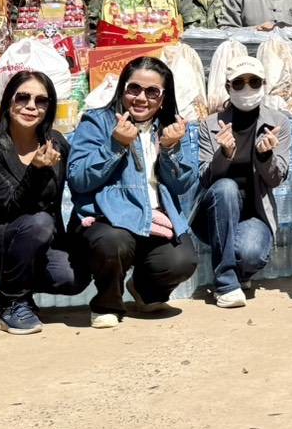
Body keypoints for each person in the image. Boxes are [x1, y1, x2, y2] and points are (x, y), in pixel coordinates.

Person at [68, 57, 197, 328]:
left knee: (182, 260)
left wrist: (170, 149)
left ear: (163, 98)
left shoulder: (171, 128)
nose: (141, 98)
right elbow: (78, 178)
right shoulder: (97, 121)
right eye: (134, 88)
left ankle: (145, 291)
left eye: (152, 92)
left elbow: (183, 184)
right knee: (113, 243)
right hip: (107, 219)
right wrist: (115, 144)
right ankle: (107, 303)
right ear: (122, 89)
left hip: (155, 219)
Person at [0, 70, 90, 335]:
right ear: (8, 102)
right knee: (39, 222)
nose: (31, 106)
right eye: (22, 98)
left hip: (40, 241)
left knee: (73, 277)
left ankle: (21, 292)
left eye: (41, 100)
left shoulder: (56, 143)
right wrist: (36, 171)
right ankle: (11, 303)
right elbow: (9, 207)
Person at [195, 56, 292, 308]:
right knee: (226, 188)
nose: (247, 88)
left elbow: (276, 179)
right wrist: (224, 154)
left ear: (263, 85)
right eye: (239, 83)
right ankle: (225, 284)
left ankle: (240, 272)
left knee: (250, 254)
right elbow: (205, 179)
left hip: (254, 213)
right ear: (228, 87)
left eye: (254, 82)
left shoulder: (278, 123)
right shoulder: (210, 125)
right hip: (215, 214)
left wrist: (265, 156)